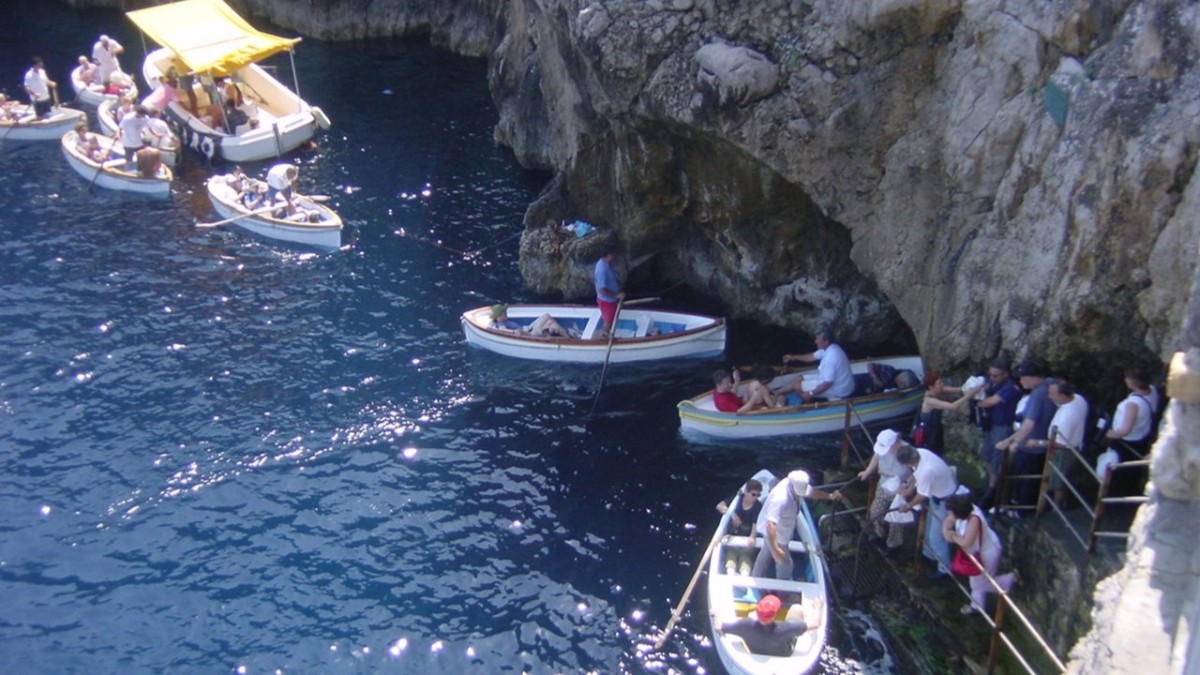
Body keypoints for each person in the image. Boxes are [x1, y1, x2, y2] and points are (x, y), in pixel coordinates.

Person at [751, 470, 841, 580]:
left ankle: (756, 576)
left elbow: (811, 492)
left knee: (766, 550)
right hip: (778, 534)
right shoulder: (781, 499)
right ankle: (783, 590)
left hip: (780, 527)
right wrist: (775, 549)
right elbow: (771, 524)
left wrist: (830, 496)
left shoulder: (792, 483)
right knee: (786, 565)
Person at [941, 494, 1018, 615]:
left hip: (987, 553)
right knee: (976, 582)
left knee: (980, 584)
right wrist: (947, 530)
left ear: (959, 512)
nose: (949, 516)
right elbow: (948, 522)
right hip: (978, 552)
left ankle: (1009, 580)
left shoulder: (974, 520)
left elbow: (966, 541)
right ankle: (977, 606)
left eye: (951, 513)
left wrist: (952, 536)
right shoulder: (964, 512)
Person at [994, 359, 1056, 508]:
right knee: (1031, 480)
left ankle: (1021, 510)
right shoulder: (1050, 385)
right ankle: (1022, 505)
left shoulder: (1037, 395)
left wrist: (1013, 442)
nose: (1020, 381)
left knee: (1025, 480)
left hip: (1030, 446)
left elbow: (1028, 424)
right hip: (1040, 443)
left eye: (1023, 377)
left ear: (1035, 378)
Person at [895, 444, 959, 578]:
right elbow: (916, 475)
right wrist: (909, 487)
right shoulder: (920, 453)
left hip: (944, 500)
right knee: (929, 527)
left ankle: (944, 568)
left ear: (907, 462)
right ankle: (928, 555)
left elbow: (922, 495)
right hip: (937, 494)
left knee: (937, 536)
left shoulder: (926, 471)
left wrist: (907, 506)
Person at [856, 429, 914, 555]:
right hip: (884, 482)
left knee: (895, 518)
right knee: (876, 511)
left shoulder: (908, 451)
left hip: (901, 487)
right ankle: (879, 533)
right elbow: (876, 457)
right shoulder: (882, 449)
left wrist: (907, 486)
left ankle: (894, 545)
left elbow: (916, 472)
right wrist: (867, 471)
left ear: (894, 444)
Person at [974, 359, 1022, 509]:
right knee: (987, 455)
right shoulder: (994, 383)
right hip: (991, 424)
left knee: (997, 460)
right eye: (990, 375)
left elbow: (992, 401)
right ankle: (988, 484)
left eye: (995, 376)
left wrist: (977, 401)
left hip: (1003, 427)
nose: (992, 378)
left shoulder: (1010, 388)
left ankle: (992, 492)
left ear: (1005, 374)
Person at [713, 594, 823, 657]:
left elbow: (719, 627)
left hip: (756, 650)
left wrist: (718, 614)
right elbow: (815, 624)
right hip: (784, 651)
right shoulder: (786, 628)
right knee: (796, 608)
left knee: (749, 616)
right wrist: (817, 607)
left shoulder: (745, 625)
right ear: (774, 615)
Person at [1035, 379, 1089, 507]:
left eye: (1052, 394)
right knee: (1064, 478)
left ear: (1063, 395)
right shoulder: (1079, 399)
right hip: (1076, 444)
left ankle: (1057, 507)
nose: (1049, 396)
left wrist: (1039, 442)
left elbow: (1060, 444)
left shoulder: (1067, 416)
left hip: (1064, 451)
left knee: (1058, 481)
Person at [778, 328, 855, 402]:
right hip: (837, 383)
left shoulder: (830, 359)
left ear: (826, 342)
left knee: (797, 387)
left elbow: (827, 383)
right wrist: (793, 357)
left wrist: (810, 393)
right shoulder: (831, 348)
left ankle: (808, 406)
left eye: (818, 339)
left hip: (839, 390)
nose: (815, 341)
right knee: (800, 378)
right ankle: (778, 392)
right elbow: (812, 356)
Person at [915, 371, 981, 454]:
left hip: (936, 427)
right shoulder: (929, 401)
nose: (942, 384)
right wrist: (968, 395)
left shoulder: (935, 390)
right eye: (939, 383)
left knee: (940, 448)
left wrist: (968, 388)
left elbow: (955, 389)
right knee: (935, 451)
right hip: (929, 433)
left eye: (941, 382)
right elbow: (952, 406)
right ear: (931, 387)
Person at [715, 478, 763, 575]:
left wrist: (752, 537)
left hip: (747, 537)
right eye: (753, 494)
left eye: (758, 495)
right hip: (733, 535)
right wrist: (732, 514)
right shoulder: (737, 499)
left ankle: (744, 575)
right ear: (746, 492)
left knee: (745, 556)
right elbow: (720, 506)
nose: (755, 498)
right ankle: (730, 573)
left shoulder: (758, 506)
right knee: (731, 554)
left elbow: (755, 524)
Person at [712, 366, 779, 414]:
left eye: (730, 382)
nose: (730, 385)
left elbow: (732, 394)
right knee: (779, 400)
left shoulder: (719, 391)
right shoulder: (723, 401)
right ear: (718, 384)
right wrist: (754, 398)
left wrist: (737, 381)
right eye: (727, 383)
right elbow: (739, 412)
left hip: (742, 405)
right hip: (743, 412)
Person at [593, 245, 624, 339]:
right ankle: (604, 338)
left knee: (611, 319)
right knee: (608, 321)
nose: (615, 256)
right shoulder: (602, 269)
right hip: (607, 301)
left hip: (611, 300)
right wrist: (617, 295)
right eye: (614, 254)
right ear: (609, 255)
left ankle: (606, 335)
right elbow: (601, 289)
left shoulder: (606, 264)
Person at [488, 304, 568, 337]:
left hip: (528, 328)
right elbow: (503, 330)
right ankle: (569, 339)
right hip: (530, 333)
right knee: (550, 322)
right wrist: (513, 332)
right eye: (504, 312)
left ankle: (560, 334)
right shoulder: (501, 323)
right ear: (500, 315)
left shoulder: (503, 321)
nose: (506, 313)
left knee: (549, 319)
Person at [117, 105, 151, 170]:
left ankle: (141, 171)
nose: (144, 117)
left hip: (139, 142)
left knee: (142, 157)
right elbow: (120, 128)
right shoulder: (128, 119)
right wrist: (118, 135)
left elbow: (149, 126)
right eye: (143, 115)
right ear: (138, 113)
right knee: (128, 160)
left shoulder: (145, 118)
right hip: (128, 143)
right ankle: (125, 171)